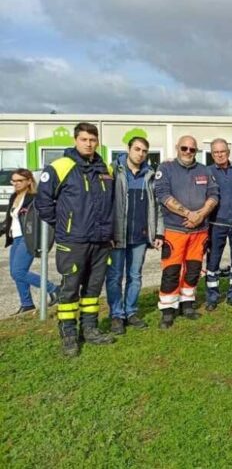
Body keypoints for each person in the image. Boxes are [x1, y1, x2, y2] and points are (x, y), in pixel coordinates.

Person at [36, 122, 116, 357]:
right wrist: (64, 226)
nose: (88, 144)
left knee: (93, 289)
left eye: (92, 140)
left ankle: (89, 329)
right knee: (70, 289)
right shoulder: (59, 167)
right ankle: (69, 334)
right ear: (75, 140)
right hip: (73, 241)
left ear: (97, 142)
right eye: (84, 139)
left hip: (101, 241)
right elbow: (43, 202)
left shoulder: (105, 169)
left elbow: (110, 204)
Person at [154, 136, 219, 329]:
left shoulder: (204, 170)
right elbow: (163, 195)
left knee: (193, 270)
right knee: (171, 271)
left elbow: (214, 195)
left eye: (192, 149)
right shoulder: (165, 169)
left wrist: (200, 215)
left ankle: (187, 304)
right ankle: (167, 309)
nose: (188, 152)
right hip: (175, 230)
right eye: (184, 148)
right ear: (177, 148)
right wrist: (188, 214)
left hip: (199, 231)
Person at [106, 137, 163, 335]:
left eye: (144, 151)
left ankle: (131, 311)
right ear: (128, 149)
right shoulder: (113, 172)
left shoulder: (150, 175)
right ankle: (116, 314)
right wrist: (107, 231)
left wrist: (158, 232)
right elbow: (105, 205)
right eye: (137, 149)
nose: (140, 153)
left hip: (140, 236)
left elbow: (157, 207)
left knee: (135, 276)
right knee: (114, 277)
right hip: (117, 236)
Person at [3, 168, 58, 314]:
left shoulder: (34, 198)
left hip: (28, 238)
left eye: (19, 181)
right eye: (13, 181)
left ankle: (54, 290)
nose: (15, 183)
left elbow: (41, 220)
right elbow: (8, 221)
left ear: (29, 181)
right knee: (15, 273)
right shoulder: (14, 196)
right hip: (15, 238)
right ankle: (27, 304)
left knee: (19, 271)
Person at [204, 138, 232, 311]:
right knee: (213, 260)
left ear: (228, 152)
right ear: (212, 154)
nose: (219, 155)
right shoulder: (207, 171)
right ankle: (212, 296)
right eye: (215, 152)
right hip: (216, 224)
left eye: (222, 151)